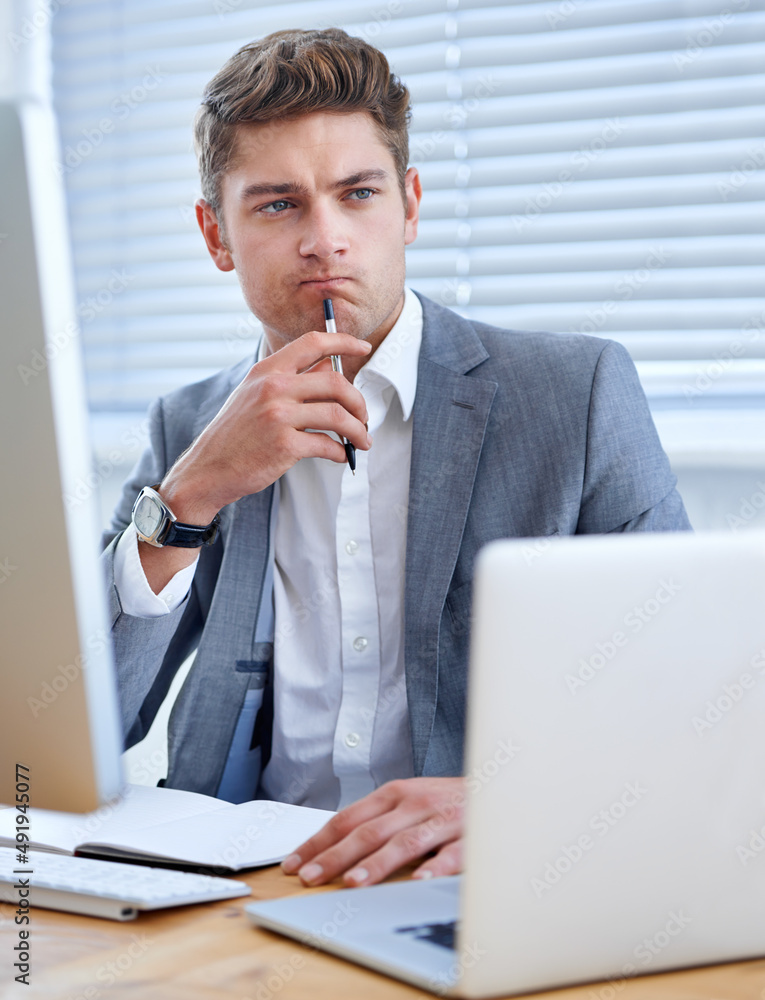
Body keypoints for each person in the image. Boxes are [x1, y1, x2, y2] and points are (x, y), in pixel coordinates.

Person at [103, 27, 691, 892]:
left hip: (486, 878)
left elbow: (688, 706)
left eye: (357, 195)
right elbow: (60, 742)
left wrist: (513, 800)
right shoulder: (189, 426)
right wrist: (190, 494)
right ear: (214, 234)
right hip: (247, 888)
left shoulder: (576, 393)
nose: (326, 239)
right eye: (277, 205)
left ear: (408, 205)